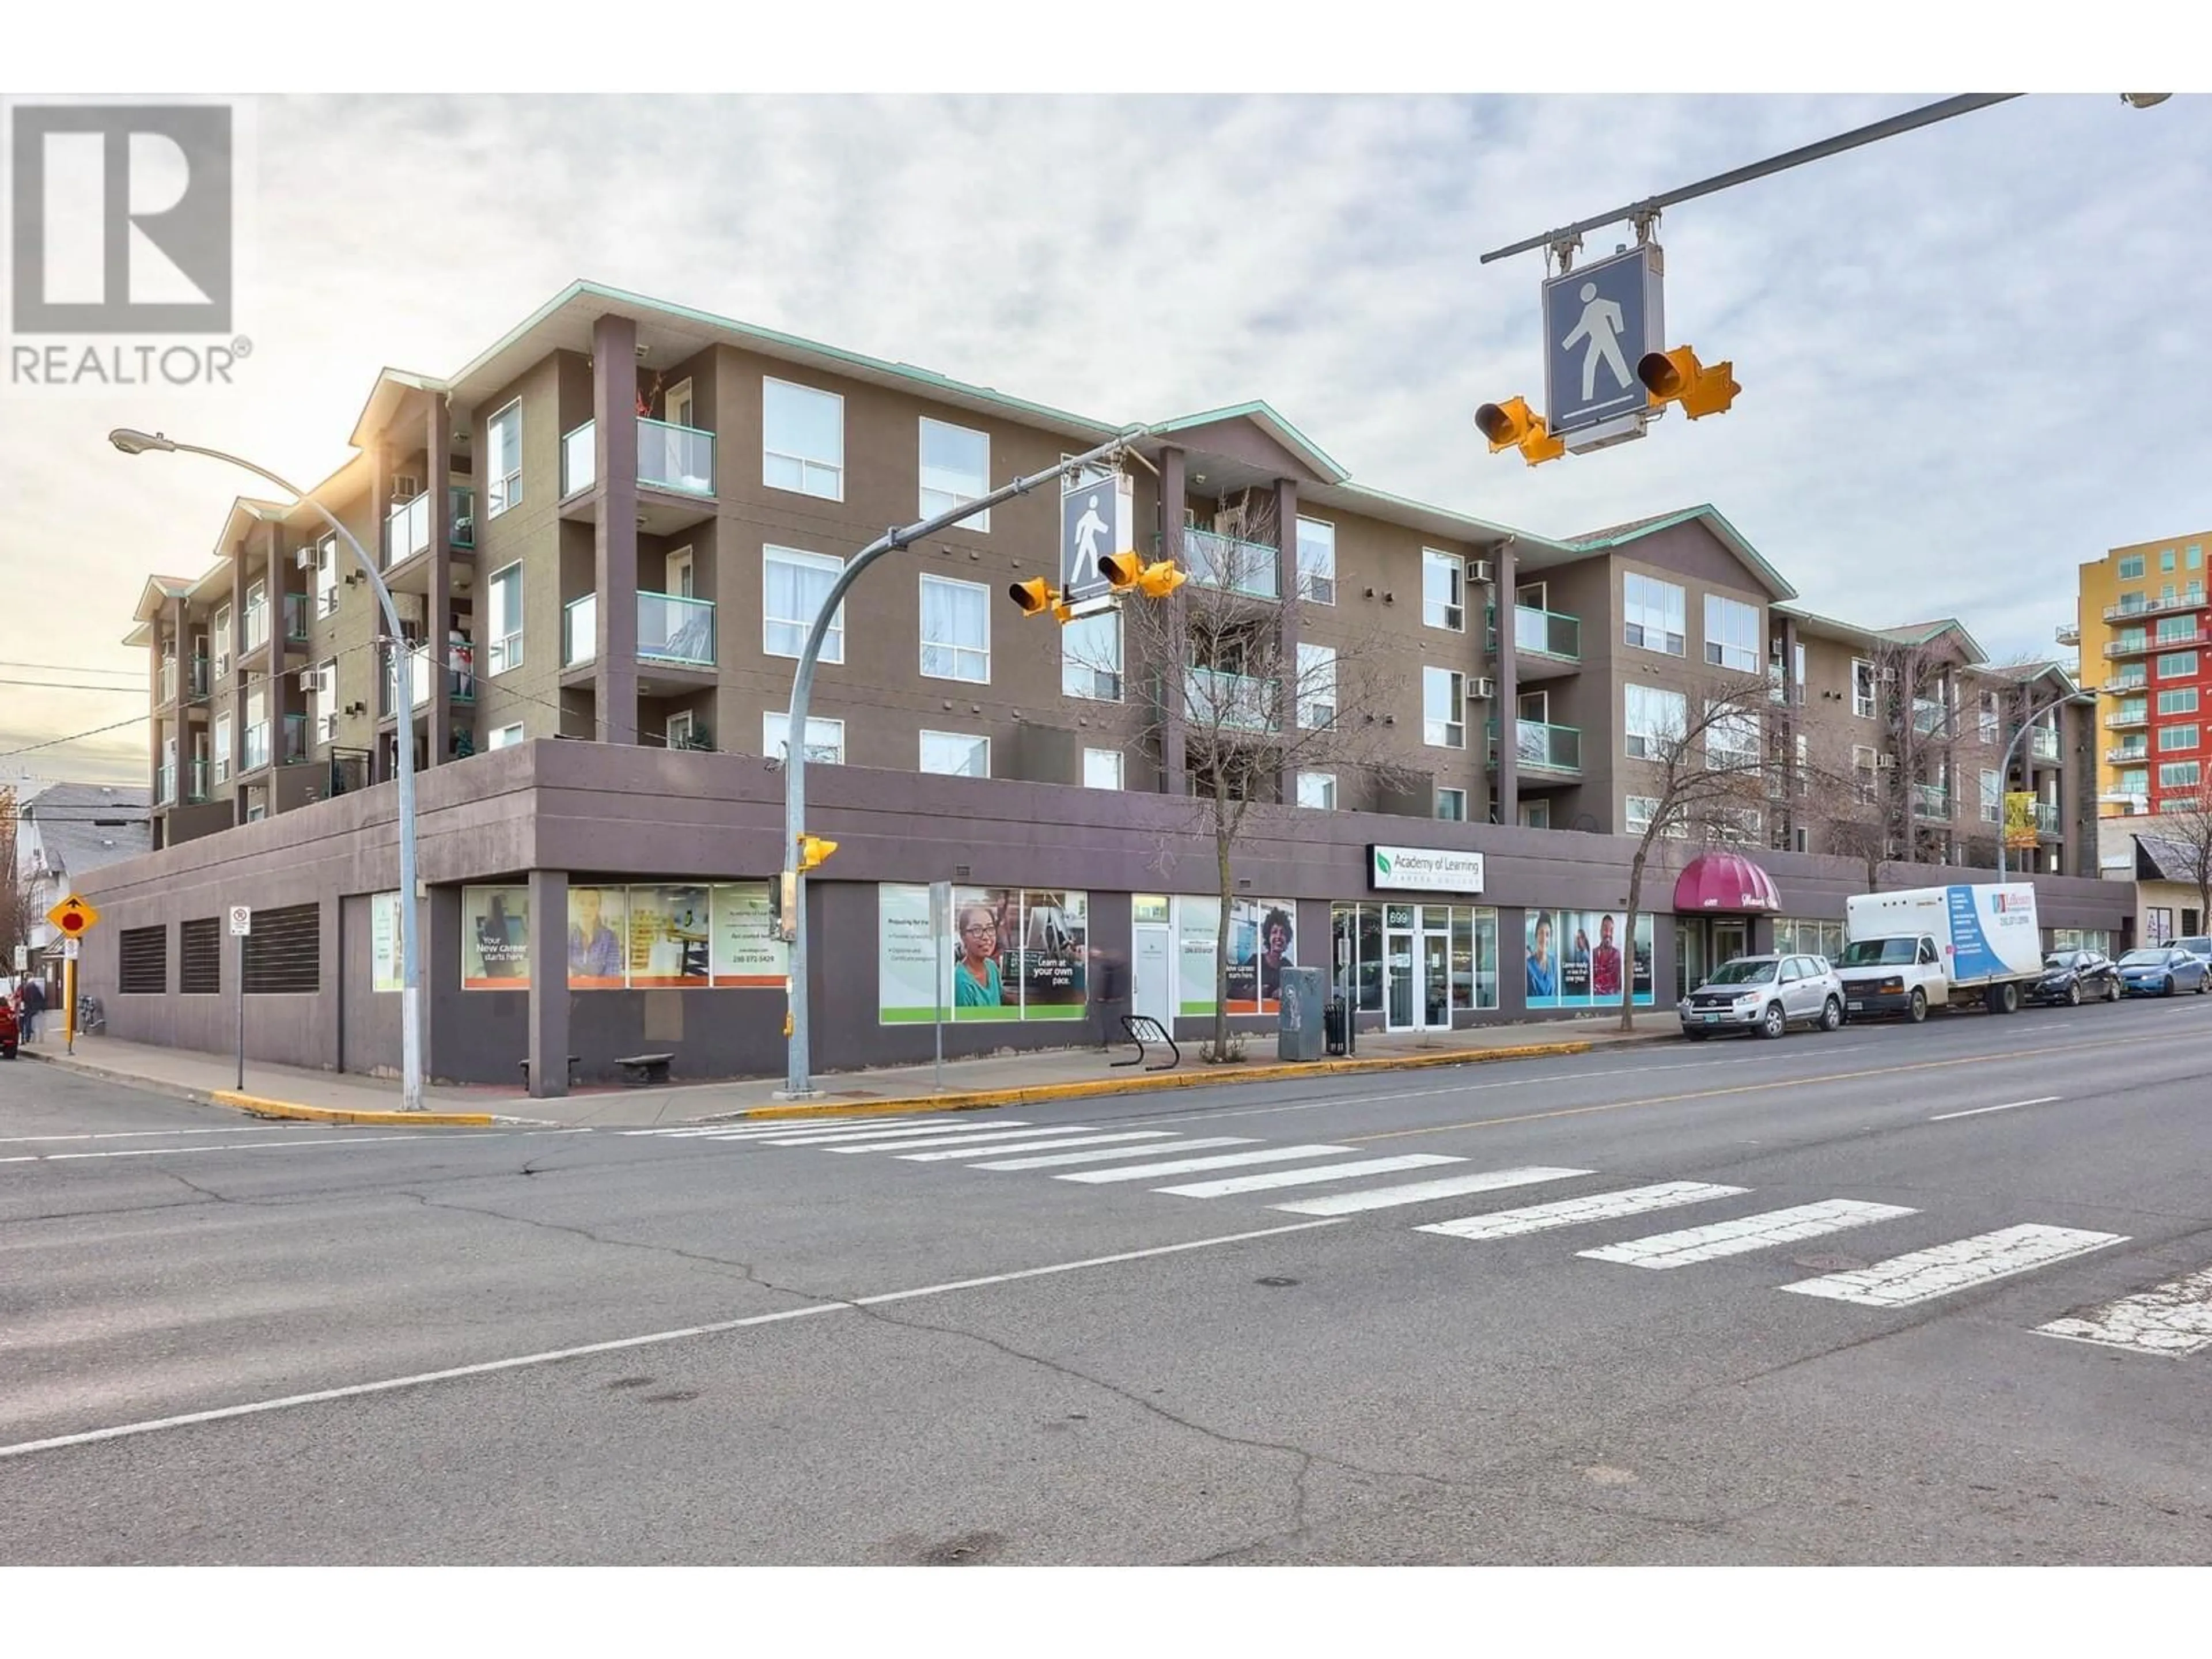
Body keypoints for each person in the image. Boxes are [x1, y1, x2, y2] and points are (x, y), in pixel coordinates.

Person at [953, 903, 1003, 1007]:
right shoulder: (961, 982)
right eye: (977, 930)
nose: (986, 937)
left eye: (990, 929)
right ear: (963, 937)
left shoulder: (992, 967)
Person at [568, 888, 623, 980]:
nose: (586, 908)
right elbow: (555, 968)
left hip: (600, 993)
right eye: (582, 903)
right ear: (575, 905)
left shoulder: (610, 938)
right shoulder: (563, 933)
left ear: (599, 908)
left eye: (592, 904)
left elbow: (613, 976)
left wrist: (590, 983)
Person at [1257, 907, 1293, 1002]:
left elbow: (1297, 989)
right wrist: (1251, 992)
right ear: (1268, 936)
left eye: (1283, 933)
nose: (1278, 937)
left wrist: (1285, 992)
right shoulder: (1256, 961)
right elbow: (1232, 991)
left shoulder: (1288, 966)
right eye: (1274, 932)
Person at [1590, 914, 1624, 999]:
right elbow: (1587, 980)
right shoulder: (1593, 953)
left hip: (1611, 1001)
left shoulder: (1617, 954)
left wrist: (1595, 984)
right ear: (1600, 931)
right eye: (1605, 929)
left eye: (1611, 930)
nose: (1608, 934)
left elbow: (1613, 981)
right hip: (1594, 1001)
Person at [1526, 912, 1558, 999]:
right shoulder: (1527, 966)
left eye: (1547, 934)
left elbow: (1557, 994)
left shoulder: (1553, 962)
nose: (1544, 938)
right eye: (1541, 933)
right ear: (1536, 936)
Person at [19, 974, 45, 1043]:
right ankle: (28, 1035)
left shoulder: (27, 987)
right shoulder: (34, 987)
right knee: (29, 1021)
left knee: (26, 1021)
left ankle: (27, 1036)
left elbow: (26, 997)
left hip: (29, 1006)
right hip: (32, 1007)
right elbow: (40, 997)